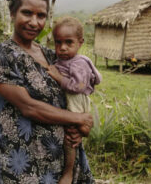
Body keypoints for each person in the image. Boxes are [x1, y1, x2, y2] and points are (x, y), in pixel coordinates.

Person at [0, 0, 94, 183]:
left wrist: (77, 130)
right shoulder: (2, 55)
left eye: (41, 15)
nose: (34, 22)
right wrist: (78, 118)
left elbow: (73, 95)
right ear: (12, 13)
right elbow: (28, 107)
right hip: (22, 160)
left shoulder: (52, 55)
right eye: (27, 13)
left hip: (61, 157)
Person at [46, 17, 102, 184]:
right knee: (73, 131)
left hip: (76, 98)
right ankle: (83, 128)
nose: (62, 48)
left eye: (69, 42)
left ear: (80, 42)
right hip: (74, 99)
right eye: (58, 43)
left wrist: (58, 77)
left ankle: (68, 172)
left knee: (71, 136)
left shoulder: (78, 63)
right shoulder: (66, 59)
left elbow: (77, 86)